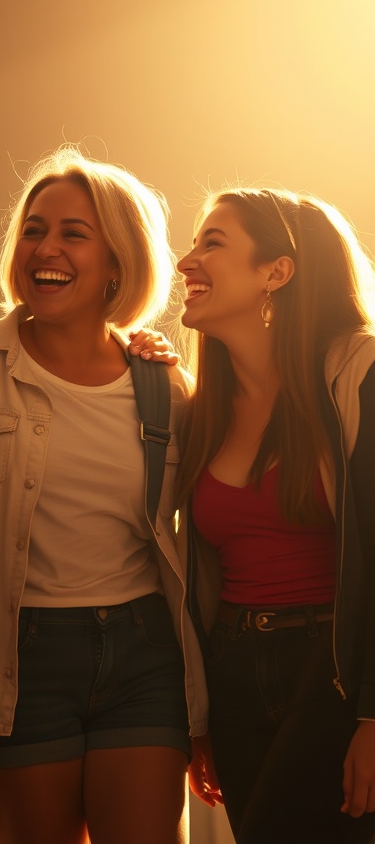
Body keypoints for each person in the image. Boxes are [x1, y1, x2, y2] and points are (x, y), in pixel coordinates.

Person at [0, 145, 192, 844]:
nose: (48, 247)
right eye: (36, 230)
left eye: (75, 233)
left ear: (118, 260)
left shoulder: (164, 384)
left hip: (144, 653)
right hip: (16, 662)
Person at [176, 186, 375, 843]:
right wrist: (200, 714)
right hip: (235, 673)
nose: (186, 261)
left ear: (277, 272)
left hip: (335, 675)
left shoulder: (359, 373)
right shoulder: (197, 408)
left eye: (213, 242)